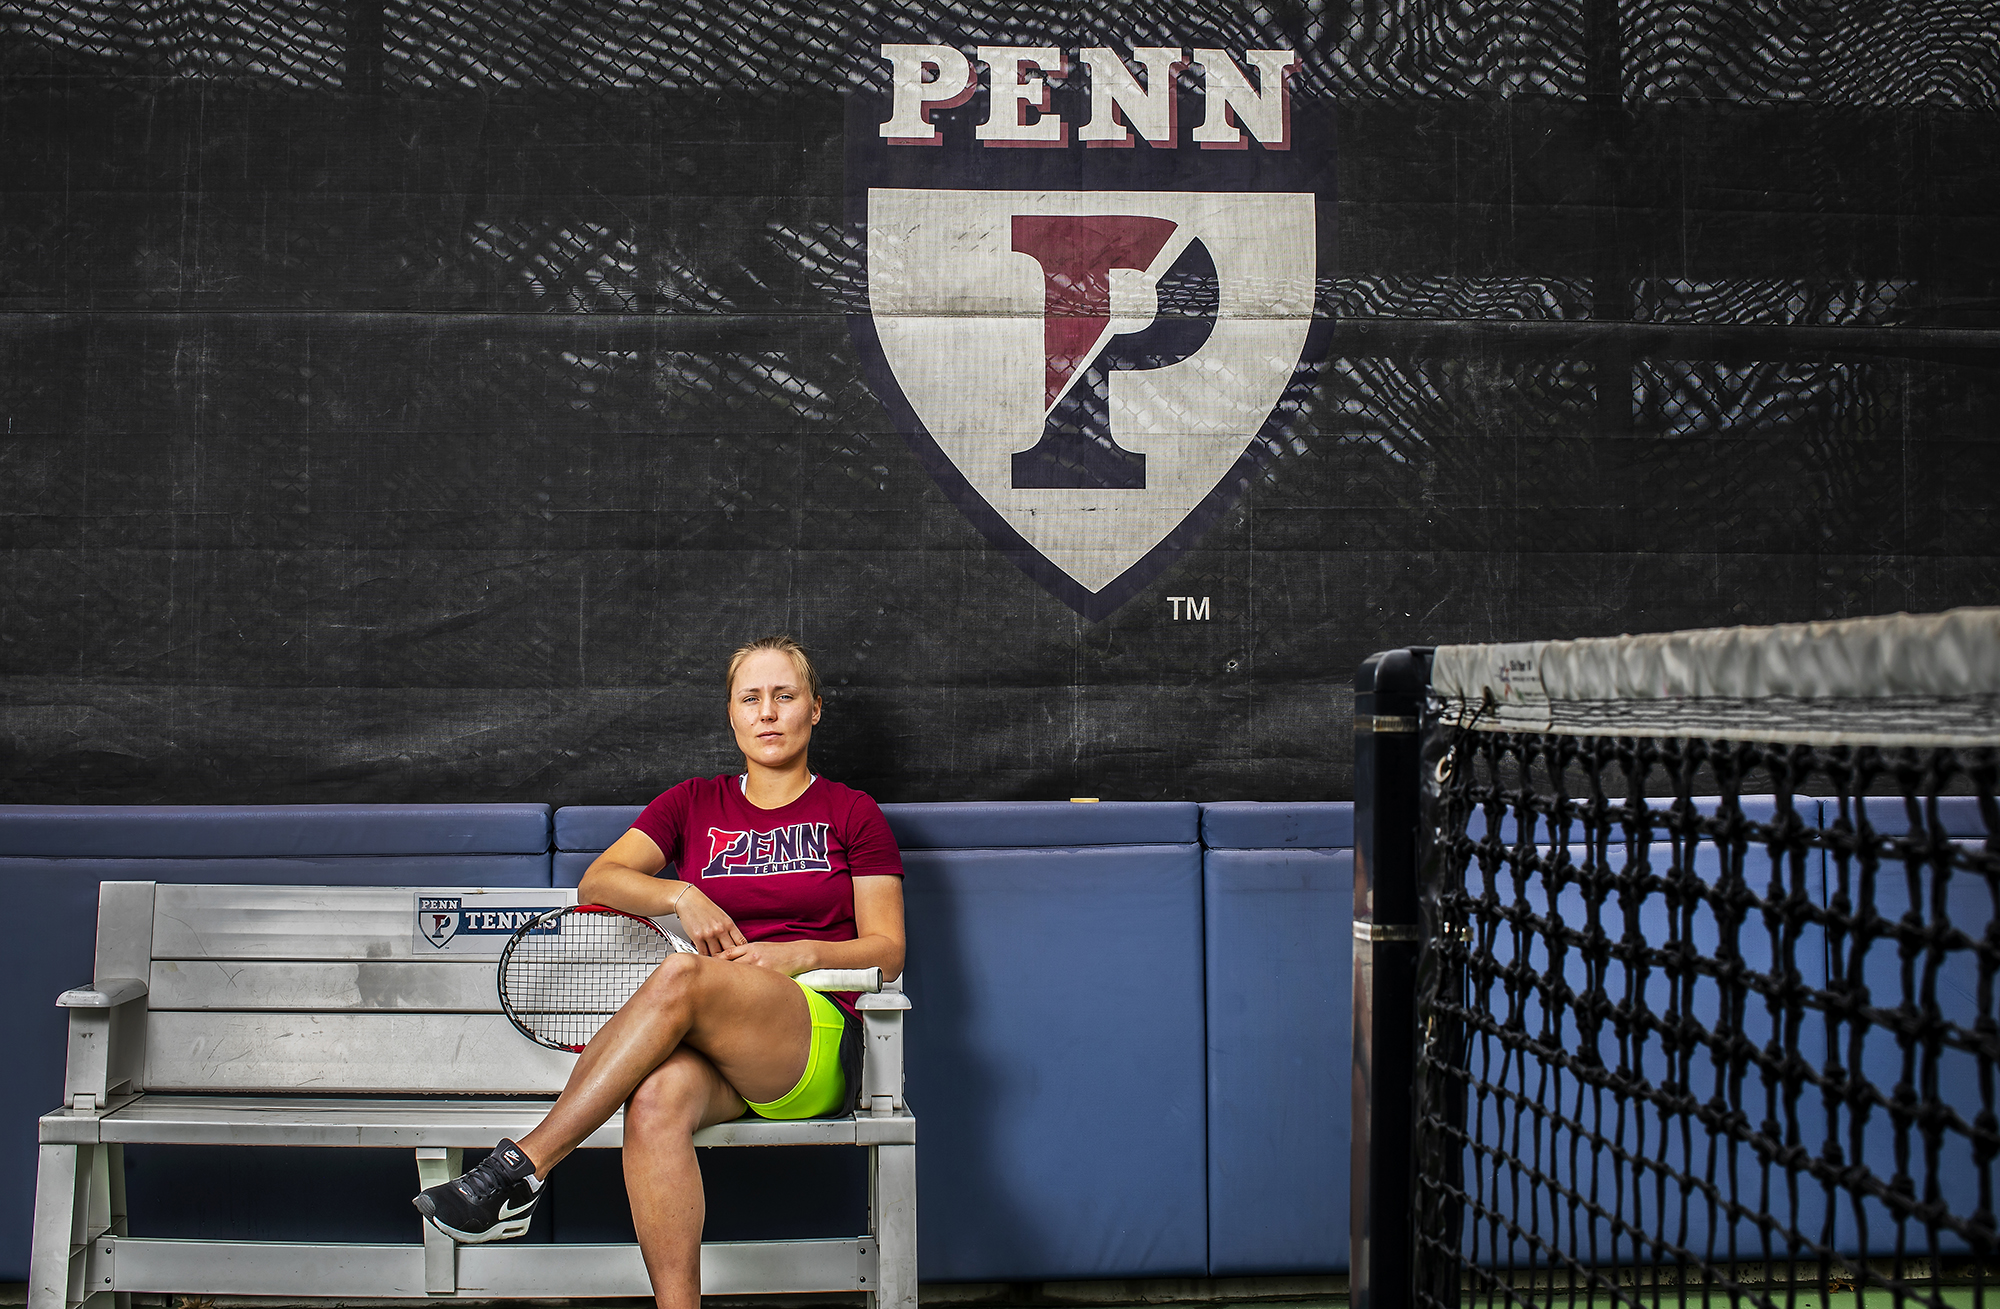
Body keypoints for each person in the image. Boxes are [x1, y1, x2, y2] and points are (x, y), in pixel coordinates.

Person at [413, 635, 906, 1309]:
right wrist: (680, 893)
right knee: (652, 1103)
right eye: (751, 697)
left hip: (810, 1038)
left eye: (785, 696)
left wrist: (806, 953)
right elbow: (599, 882)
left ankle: (519, 1166)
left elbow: (888, 949)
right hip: (714, 1045)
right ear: (731, 713)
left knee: (680, 977)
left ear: (814, 710)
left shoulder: (852, 813)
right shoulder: (692, 803)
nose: (768, 712)